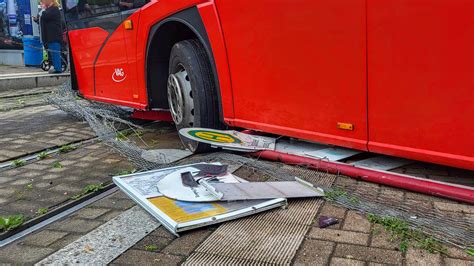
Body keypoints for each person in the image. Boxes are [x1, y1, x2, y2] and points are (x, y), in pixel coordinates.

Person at [39, 0, 63, 73]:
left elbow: (46, 16)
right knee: (51, 53)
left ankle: (58, 68)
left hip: (54, 36)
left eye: (43, 1)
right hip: (49, 36)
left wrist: (42, 10)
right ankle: (55, 67)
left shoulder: (54, 9)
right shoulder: (49, 10)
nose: (42, 3)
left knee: (55, 52)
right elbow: (45, 19)